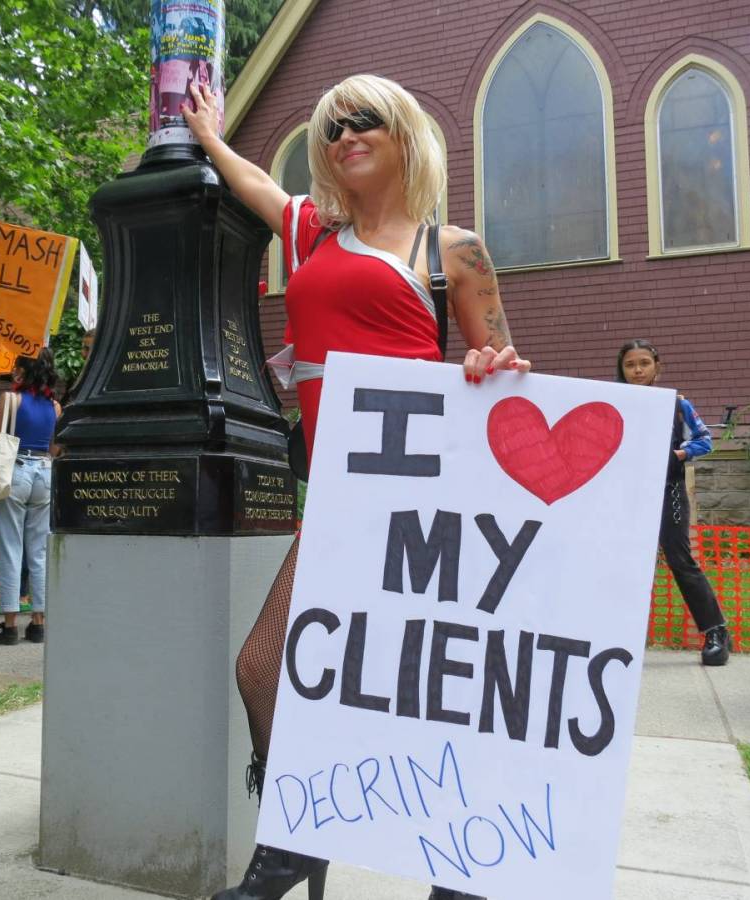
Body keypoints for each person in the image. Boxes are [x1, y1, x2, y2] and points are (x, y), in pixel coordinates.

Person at [183, 75, 530, 900]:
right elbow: (258, 186)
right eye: (330, 130)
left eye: (363, 120)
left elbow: (512, 373)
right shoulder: (310, 233)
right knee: (264, 669)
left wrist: (488, 364)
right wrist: (205, 133)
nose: (344, 136)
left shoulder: (455, 250)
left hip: (425, 492)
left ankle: (459, 864)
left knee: (423, 694)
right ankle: (295, 841)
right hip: (339, 493)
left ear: (405, 131)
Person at [617, 339, 732, 666]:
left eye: (644, 363)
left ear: (657, 366)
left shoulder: (676, 405)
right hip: (627, 493)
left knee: (680, 559)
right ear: (622, 369)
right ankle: (614, 633)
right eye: (630, 364)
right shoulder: (615, 402)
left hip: (668, 489)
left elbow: (705, 440)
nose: (637, 370)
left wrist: (677, 454)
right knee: (621, 560)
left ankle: (716, 631)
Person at [0, 347, 60, 645]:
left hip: (15, 470)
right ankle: (39, 623)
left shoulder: (11, 399)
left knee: (10, 546)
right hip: (44, 473)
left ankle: (9, 624)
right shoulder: (55, 407)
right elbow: (55, 449)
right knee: (39, 550)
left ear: (24, 370)